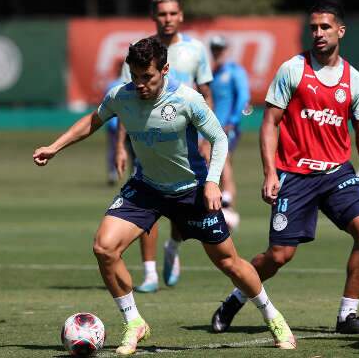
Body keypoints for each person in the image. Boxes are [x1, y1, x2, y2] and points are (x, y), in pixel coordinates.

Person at [33, 37, 295, 355]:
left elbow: (219, 139)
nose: (141, 84)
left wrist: (212, 182)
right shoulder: (121, 95)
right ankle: (134, 322)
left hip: (190, 191)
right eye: (135, 76)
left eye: (148, 77)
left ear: (165, 70)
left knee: (229, 263)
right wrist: (54, 147)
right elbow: (93, 120)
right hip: (146, 188)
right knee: (104, 248)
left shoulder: (188, 99)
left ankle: (274, 318)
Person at [210, 1, 359, 335]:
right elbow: (269, 123)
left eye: (325, 27)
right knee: (279, 256)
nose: (318, 33)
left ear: (340, 31)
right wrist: (270, 173)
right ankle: (235, 299)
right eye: (314, 27)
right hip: (295, 175)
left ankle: (347, 315)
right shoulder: (293, 69)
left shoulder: (354, 80)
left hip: (337, 174)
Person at [116, 0, 214, 293]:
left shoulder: (196, 50)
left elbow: (206, 93)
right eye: (162, 14)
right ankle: (149, 273)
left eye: (172, 13)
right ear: (153, 16)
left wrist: (208, 138)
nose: (167, 19)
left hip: (185, 140)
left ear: (180, 16)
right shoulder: (139, 51)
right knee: (148, 197)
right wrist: (121, 145)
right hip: (147, 136)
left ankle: (173, 245)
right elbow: (126, 101)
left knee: (180, 202)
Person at [206, 34, 251, 229]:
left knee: (221, 161)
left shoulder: (235, 71)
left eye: (220, 49)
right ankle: (225, 204)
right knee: (220, 163)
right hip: (213, 128)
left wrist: (233, 121)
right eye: (214, 49)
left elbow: (243, 97)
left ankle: (228, 204)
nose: (217, 53)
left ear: (227, 50)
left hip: (227, 127)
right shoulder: (213, 73)